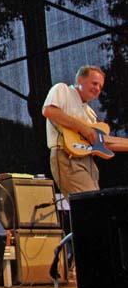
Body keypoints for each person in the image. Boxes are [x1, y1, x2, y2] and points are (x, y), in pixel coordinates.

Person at [42, 65, 128, 196]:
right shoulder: (63, 90)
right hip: (67, 155)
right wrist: (84, 129)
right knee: (88, 205)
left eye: (100, 86)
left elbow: (100, 142)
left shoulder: (91, 113)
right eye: (94, 83)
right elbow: (49, 111)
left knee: (93, 204)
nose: (97, 89)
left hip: (88, 162)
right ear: (80, 80)